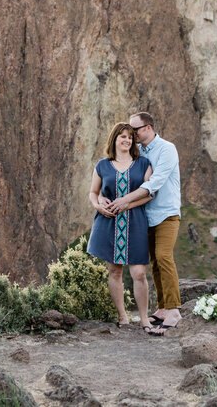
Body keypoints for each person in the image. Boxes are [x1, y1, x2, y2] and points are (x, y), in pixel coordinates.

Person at [101, 112, 182, 335]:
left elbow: (155, 182)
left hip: (166, 214)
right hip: (145, 215)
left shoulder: (167, 149)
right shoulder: (140, 153)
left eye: (135, 130)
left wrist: (125, 201)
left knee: (164, 257)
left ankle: (174, 310)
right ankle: (163, 308)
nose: (132, 134)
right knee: (154, 261)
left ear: (147, 128)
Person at [88, 122, 154, 331]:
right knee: (114, 271)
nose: (126, 140)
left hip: (135, 221)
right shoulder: (102, 165)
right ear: (114, 139)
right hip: (108, 222)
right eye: (122, 136)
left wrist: (126, 204)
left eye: (130, 137)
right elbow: (93, 192)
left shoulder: (143, 164)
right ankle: (123, 316)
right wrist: (98, 205)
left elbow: (150, 193)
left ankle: (144, 318)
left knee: (139, 273)